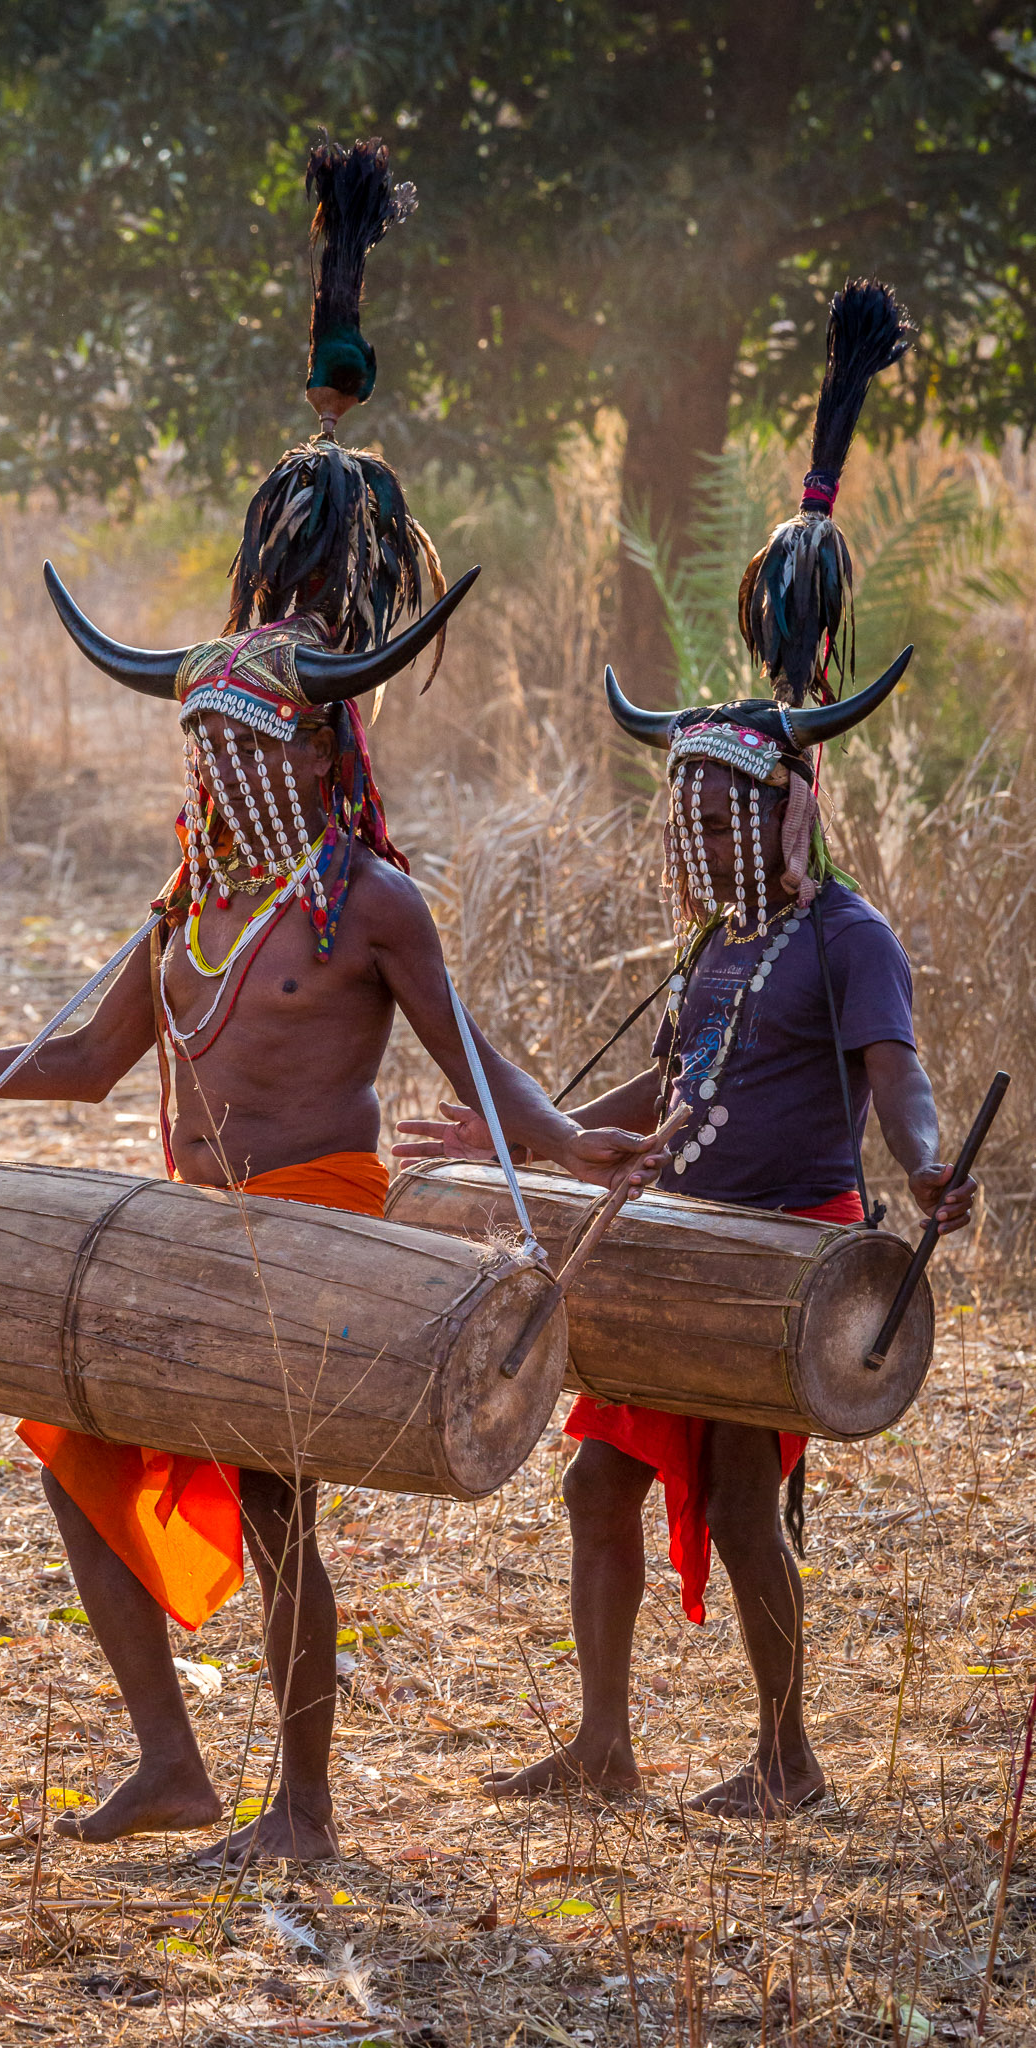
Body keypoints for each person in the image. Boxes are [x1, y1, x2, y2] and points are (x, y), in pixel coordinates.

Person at [0, 139, 663, 1862]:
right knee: (69, 1453)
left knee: (272, 1507)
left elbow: (488, 1082)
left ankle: (305, 1808)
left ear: (311, 736)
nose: (211, 768)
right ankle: (176, 1763)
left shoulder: (370, 902)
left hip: (310, 1225)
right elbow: (90, 1063)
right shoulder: (192, 894)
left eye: (238, 739)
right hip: (192, 1227)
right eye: (200, 744)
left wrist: (590, 1151)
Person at [395, 282, 977, 1818]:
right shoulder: (719, 940)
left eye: (720, 815)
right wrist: (516, 1134)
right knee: (593, 1476)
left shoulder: (842, 932)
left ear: (777, 809)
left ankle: (787, 1757)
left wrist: (926, 1167)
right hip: (671, 1241)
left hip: (790, 1252)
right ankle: (603, 1748)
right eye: (688, 819)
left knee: (737, 1497)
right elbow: (673, 1090)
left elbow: (892, 1081)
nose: (697, 839)